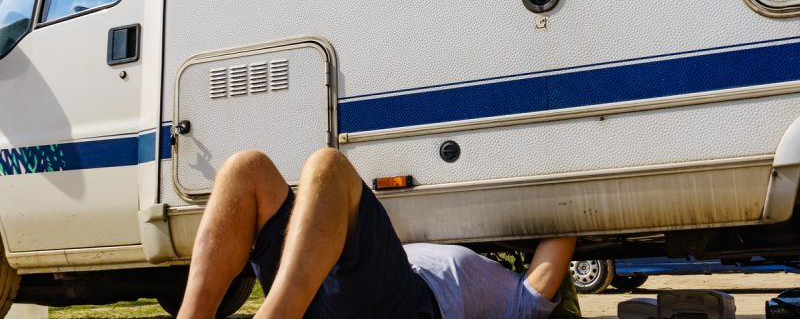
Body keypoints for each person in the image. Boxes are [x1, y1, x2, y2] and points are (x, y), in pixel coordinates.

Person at [177, 148, 577, 319]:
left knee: (328, 165)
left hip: (402, 304)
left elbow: (563, 228)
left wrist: (577, 205)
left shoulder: (521, 300)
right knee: (247, 168)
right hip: (332, 285)